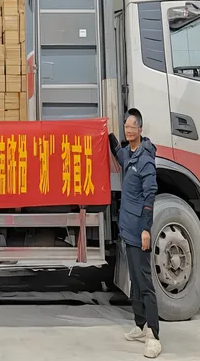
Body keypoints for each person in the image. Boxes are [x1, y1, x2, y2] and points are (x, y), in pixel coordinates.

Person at [109, 108, 161, 359]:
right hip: (128, 230)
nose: (128, 130)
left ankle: (154, 334)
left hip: (139, 229)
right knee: (135, 284)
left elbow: (149, 195)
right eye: (125, 127)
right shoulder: (129, 154)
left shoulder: (145, 159)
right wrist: (107, 135)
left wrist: (145, 229)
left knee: (145, 283)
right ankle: (140, 325)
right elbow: (118, 155)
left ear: (140, 129)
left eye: (132, 127)